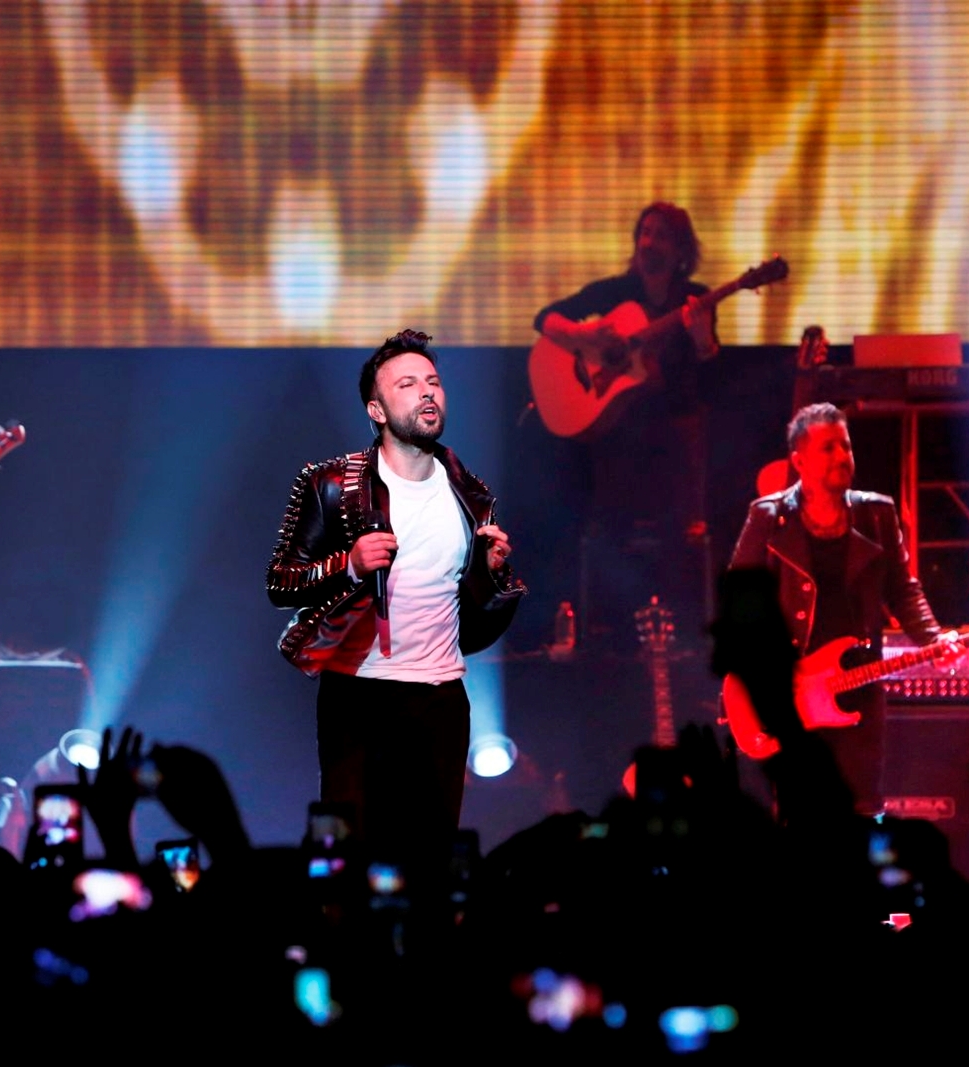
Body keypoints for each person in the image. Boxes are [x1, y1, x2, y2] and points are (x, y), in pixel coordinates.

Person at [265, 329, 526, 878]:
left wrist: (493, 574)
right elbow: (281, 584)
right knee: (349, 866)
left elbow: (471, 623)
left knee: (431, 866)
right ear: (377, 409)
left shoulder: (470, 493)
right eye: (407, 384)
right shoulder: (331, 484)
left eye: (433, 382)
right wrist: (349, 565)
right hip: (359, 697)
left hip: (441, 700)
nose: (427, 392)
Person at [729, 402, 958, 816]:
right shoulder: (768, 517)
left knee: (860, 810)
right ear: (799, 461)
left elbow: (903, 590)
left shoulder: (877, 514)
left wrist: (933, 638)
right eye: (828, 448)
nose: (841, 456)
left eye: (846, 446)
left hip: (859, 687)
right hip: (795, 693)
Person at [532, 201, 721, 646]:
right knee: (607, 521)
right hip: (616, 440)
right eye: (645, 232)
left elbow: (708, 384)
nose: (649, 242)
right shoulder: (616, 292)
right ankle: (611, 633)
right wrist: (583, 334)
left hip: (670, 437)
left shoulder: (695, 299)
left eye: (661, 235)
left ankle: (672, 632)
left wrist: (704, 343)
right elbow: (545, 319)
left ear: (681, 250)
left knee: (675, 515)